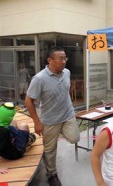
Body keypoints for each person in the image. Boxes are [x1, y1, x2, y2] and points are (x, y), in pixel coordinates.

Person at [25, 46, 80, 186]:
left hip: (67, 114)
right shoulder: (39, 78)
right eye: (61, 58)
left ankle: (60, 131)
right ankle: (52, 174)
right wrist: (37, 122)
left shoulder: (66, 72)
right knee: (50, 149)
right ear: (50, 60)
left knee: (75, 138)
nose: (64, 61)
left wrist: (68, 102)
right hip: (49, 120)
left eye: (65, 58)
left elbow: (66, 90)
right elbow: (28, 100)